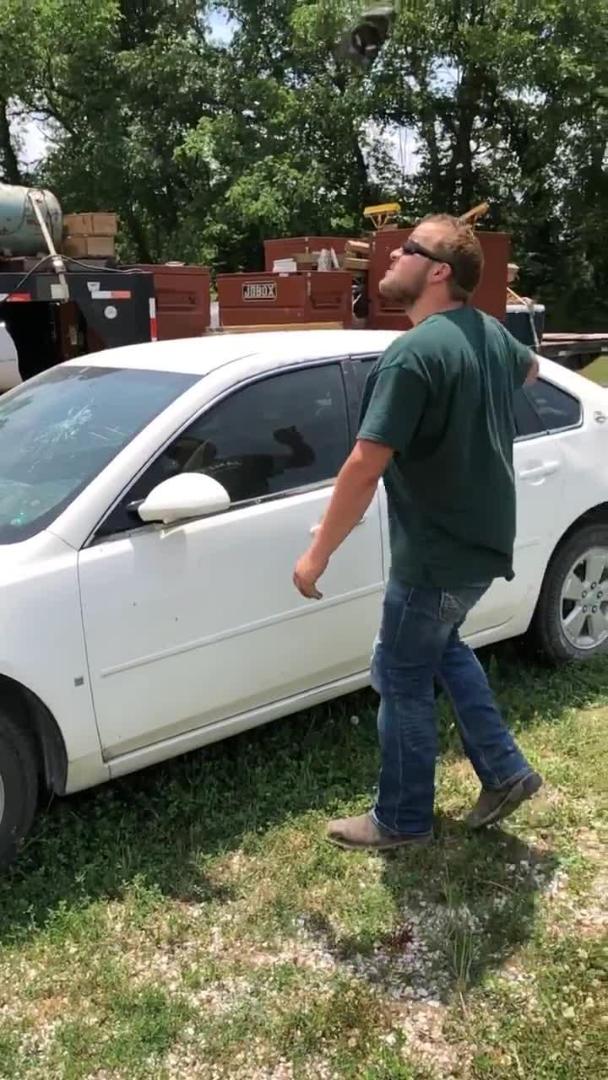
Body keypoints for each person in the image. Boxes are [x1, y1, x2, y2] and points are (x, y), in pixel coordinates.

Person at [293, 213, 543, 851]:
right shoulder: (486, 331)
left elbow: (364, 464)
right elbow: (531, 371)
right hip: (482, 544)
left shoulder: (412, 355)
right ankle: (506, 771)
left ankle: (401, 818)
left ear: (438, 272)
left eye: (408, 248)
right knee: (441, 646)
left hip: (435, 555)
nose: (391, 255)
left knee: (400, 674)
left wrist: (317, 553)